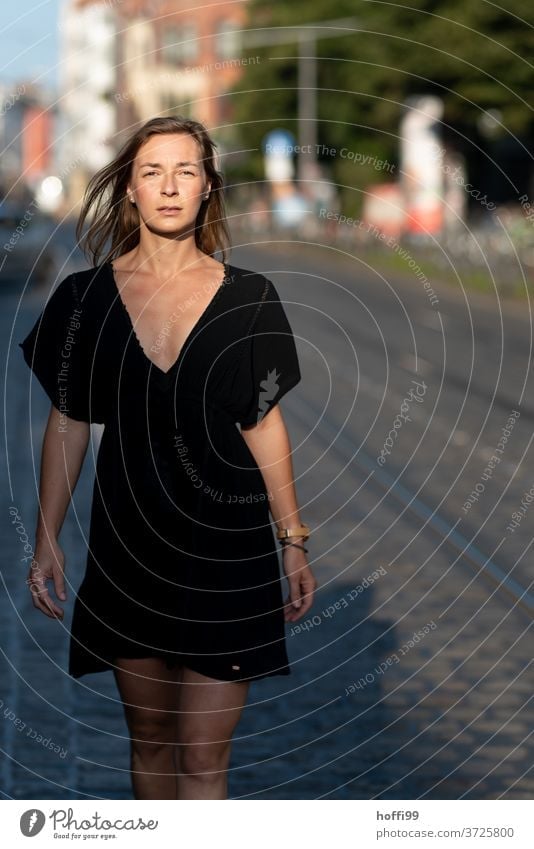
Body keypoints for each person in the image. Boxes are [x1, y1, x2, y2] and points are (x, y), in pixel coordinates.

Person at [19, 115, 317, 800]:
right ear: (130, 189)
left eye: (186, 171)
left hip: (229, 553)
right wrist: (46, 541)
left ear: (208, 187)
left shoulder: (251, 298)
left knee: (205, 757)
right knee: (150, 741)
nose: (170, 186)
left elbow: (264, 425)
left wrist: (293, 539)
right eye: (152, 172)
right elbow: (67, 425)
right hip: (129, 550)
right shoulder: (82, 300)